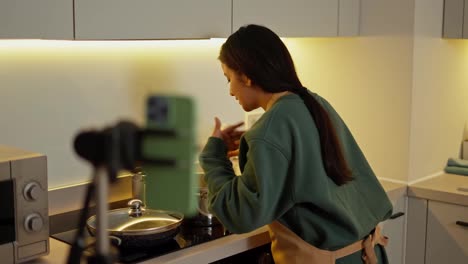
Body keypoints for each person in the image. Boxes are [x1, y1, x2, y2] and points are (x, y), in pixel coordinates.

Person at [199, 24, 393, 264]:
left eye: (228, 78)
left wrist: (213, 157)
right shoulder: (313, 102)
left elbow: (242, 216)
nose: (230, 91)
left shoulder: (270, 129)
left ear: (246, 76)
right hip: (366, 254)